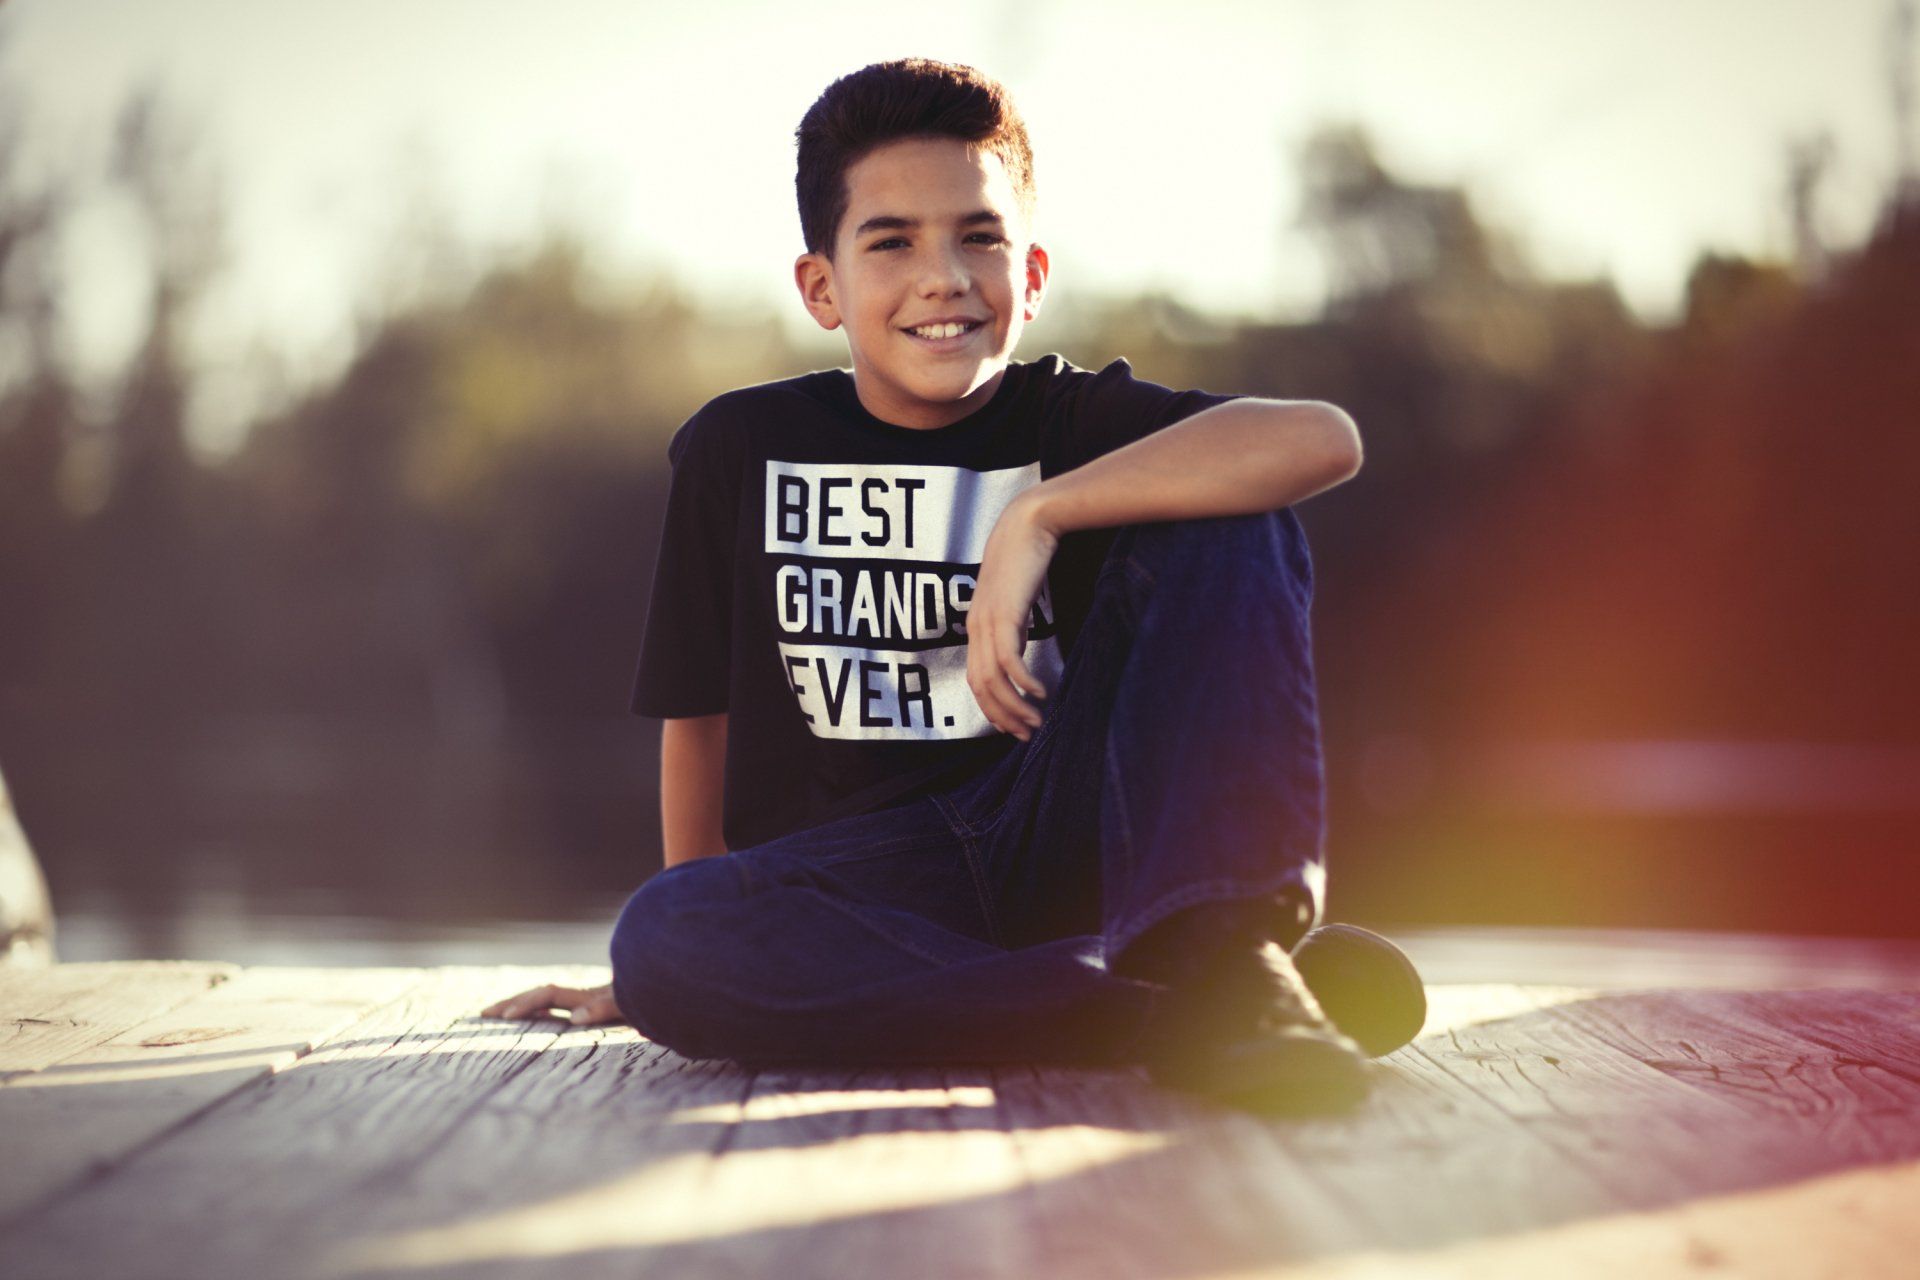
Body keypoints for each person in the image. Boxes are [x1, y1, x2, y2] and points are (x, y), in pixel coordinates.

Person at [484, 58, 1425, 1114]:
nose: (945, 277)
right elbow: (696, 721)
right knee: (666, 937)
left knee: (1232, 504)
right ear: (822, 287)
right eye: (892, 242)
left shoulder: (1070, 423)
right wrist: (670, 961)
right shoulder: (738, 445)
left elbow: (1319, 438)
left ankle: (1225, 942)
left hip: (1059, 826)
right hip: (865, 880)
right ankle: (1183, 1008)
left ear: (1030, 275)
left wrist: (1042, 511)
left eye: (980, 236)